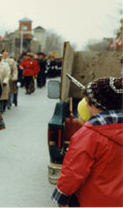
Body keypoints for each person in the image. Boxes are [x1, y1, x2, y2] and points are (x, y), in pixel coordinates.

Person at [52, 77, 123, 207]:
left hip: (92, 201)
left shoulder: (89, 135)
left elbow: (73, 173)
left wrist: (62, 198)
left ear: (93, 105)